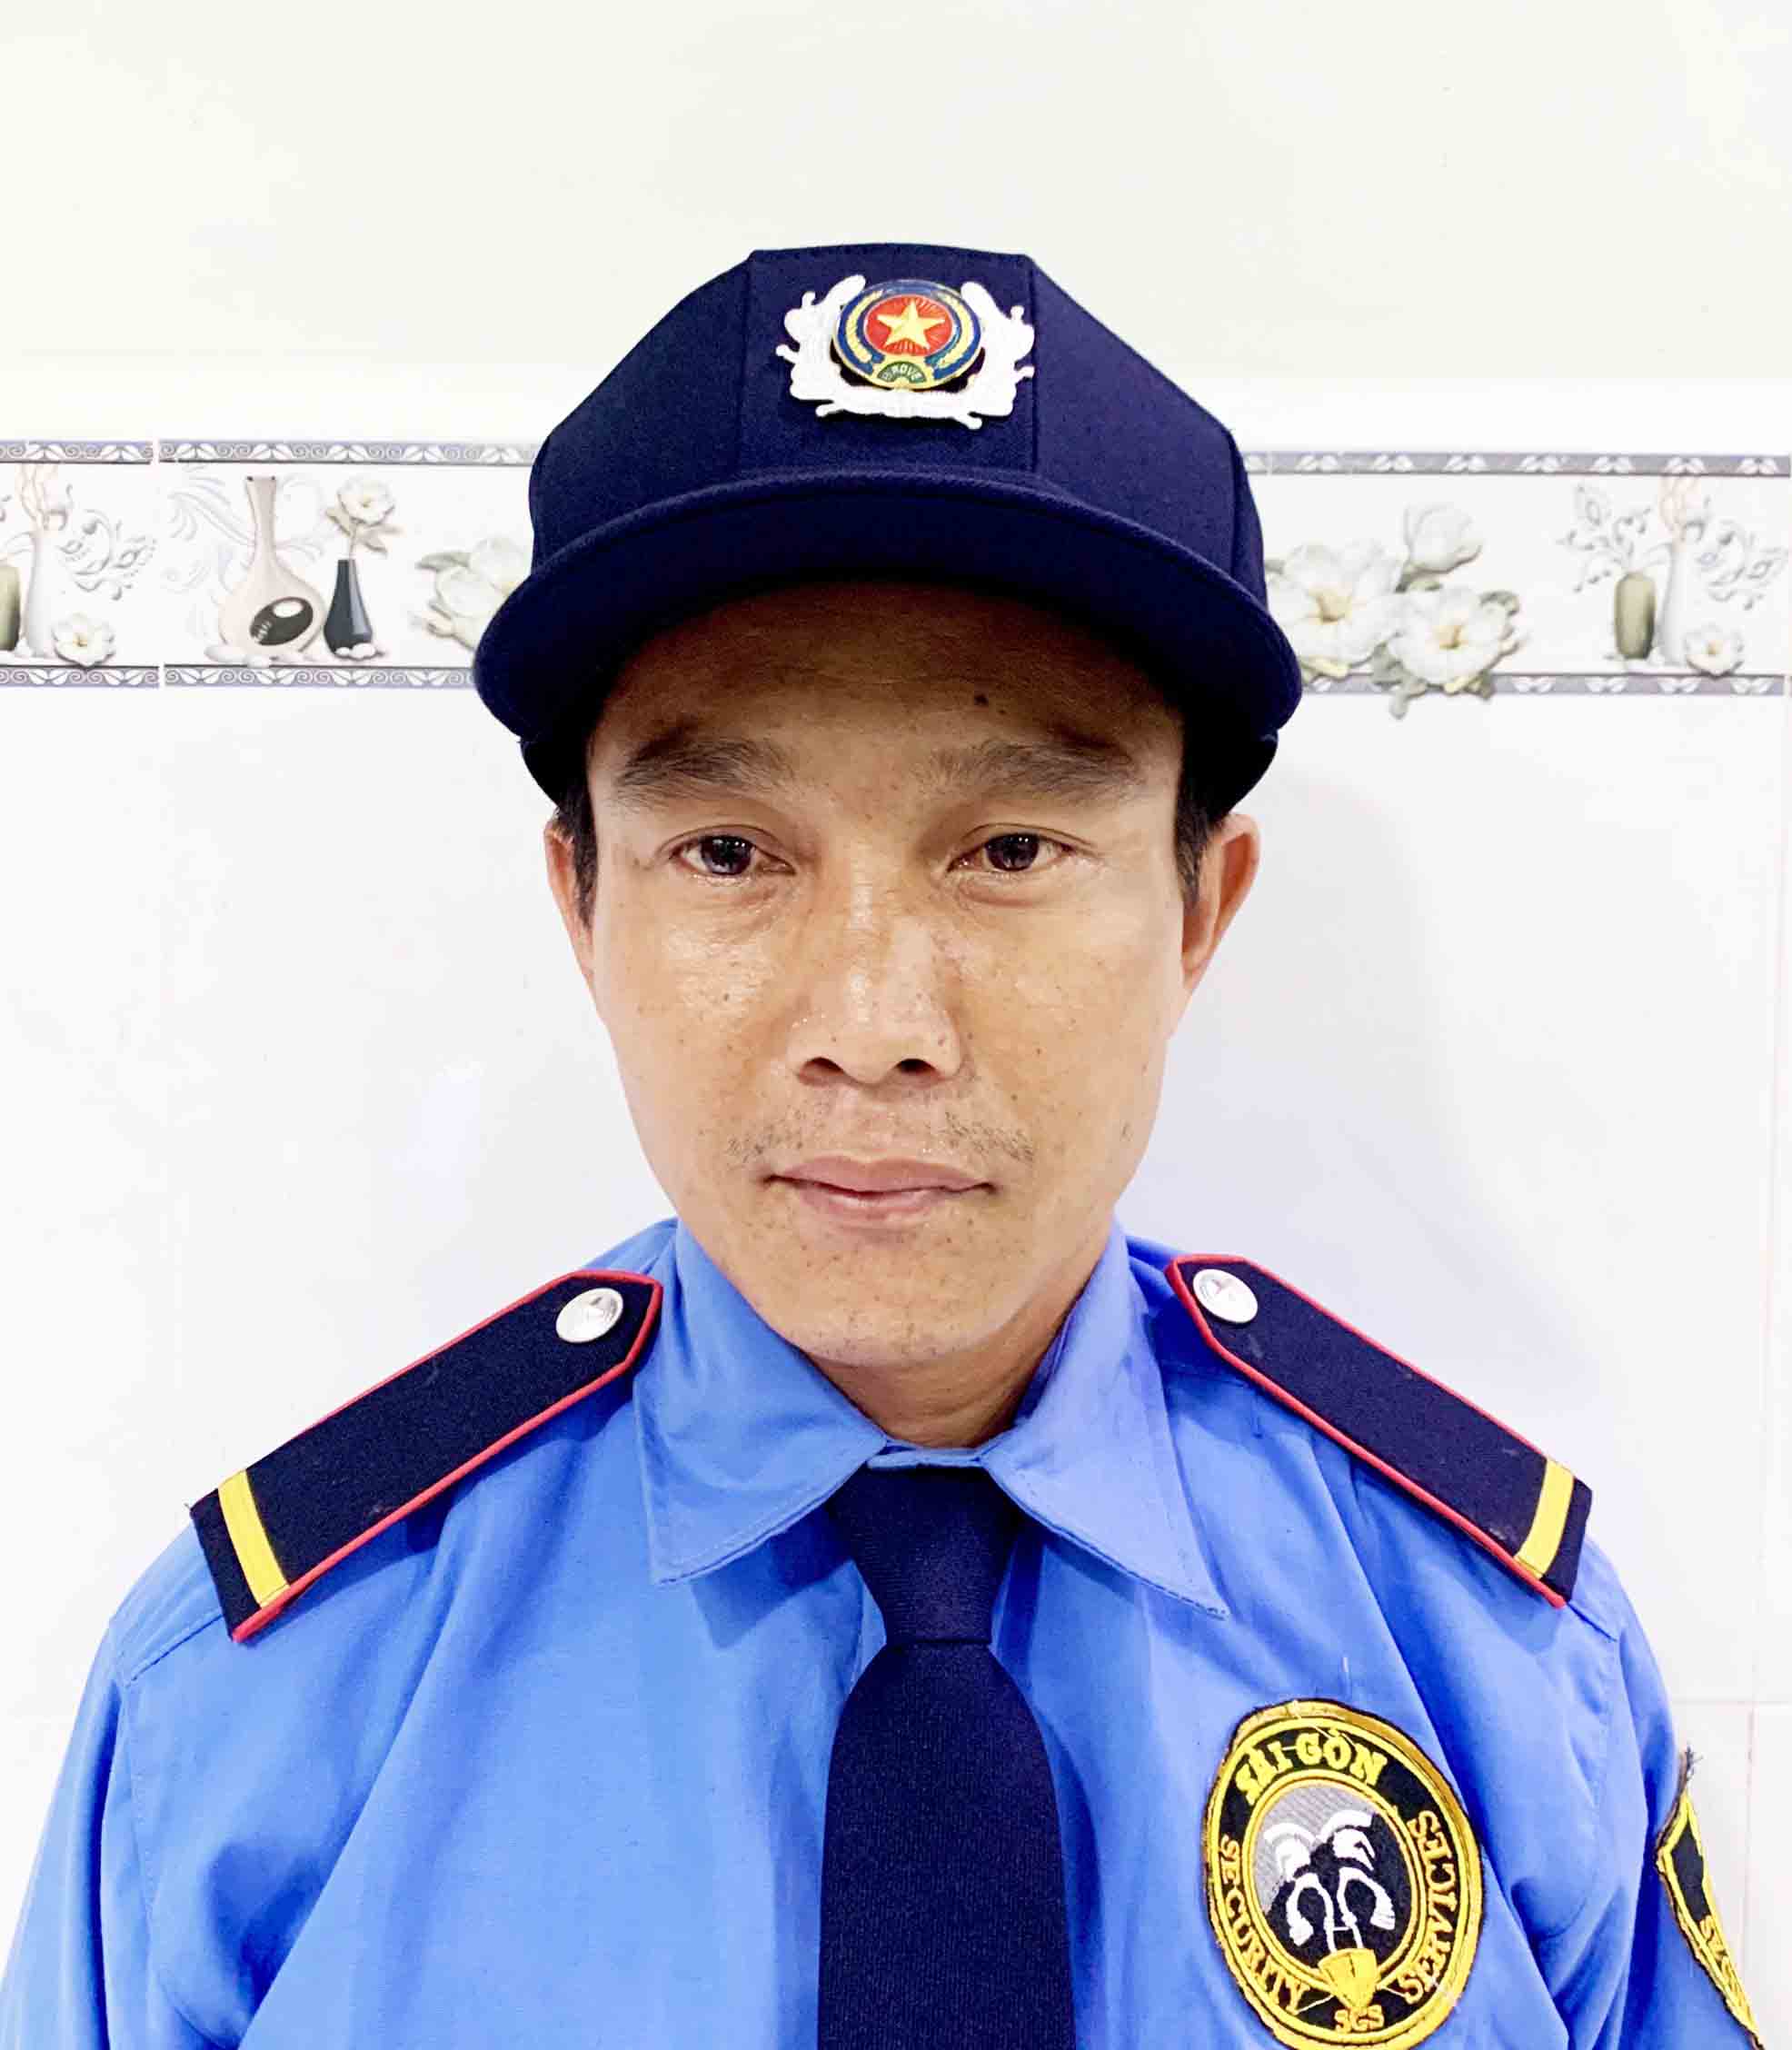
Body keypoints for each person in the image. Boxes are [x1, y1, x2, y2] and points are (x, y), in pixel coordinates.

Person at [0, 242, 1762, 2049]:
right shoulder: (257, 1700)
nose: (871, 1018)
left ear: (1197, 912)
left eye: (1009, 852)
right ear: (581, 907)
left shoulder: (1494, 1652)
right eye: (727, 853)